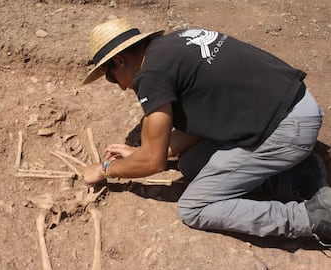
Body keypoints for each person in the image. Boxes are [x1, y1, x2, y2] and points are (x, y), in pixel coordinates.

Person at [81, 18, 331, 246]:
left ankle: (313, 217)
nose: (122, 88)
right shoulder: (173, 45)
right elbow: (198, 126)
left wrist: (105, 170)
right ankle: (300, 174)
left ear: (120, 61)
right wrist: (140, 152)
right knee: (190, 164)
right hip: (295, 106)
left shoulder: (151, 75)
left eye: (112, 78)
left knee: (194, 209)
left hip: (286, 129)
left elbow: (152, 163)